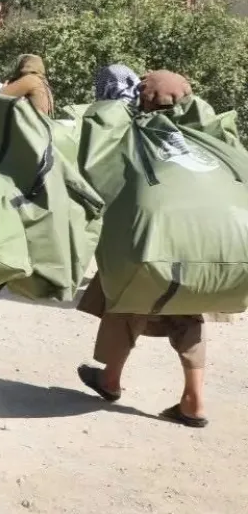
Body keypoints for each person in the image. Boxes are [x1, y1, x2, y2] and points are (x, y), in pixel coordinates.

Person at [76, 68, 211, 429]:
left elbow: (99, 164)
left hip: (153, 239)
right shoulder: (203, 134)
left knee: (128, 303)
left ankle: (110, 380)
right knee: (188, 314)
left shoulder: (138, 131)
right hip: (198, 240)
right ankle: (194, 401)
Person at [0, 54, 54, 118]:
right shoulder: (43, 82)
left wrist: (6, 85)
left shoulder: (31, 79)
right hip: (38, 125)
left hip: (30, 126)